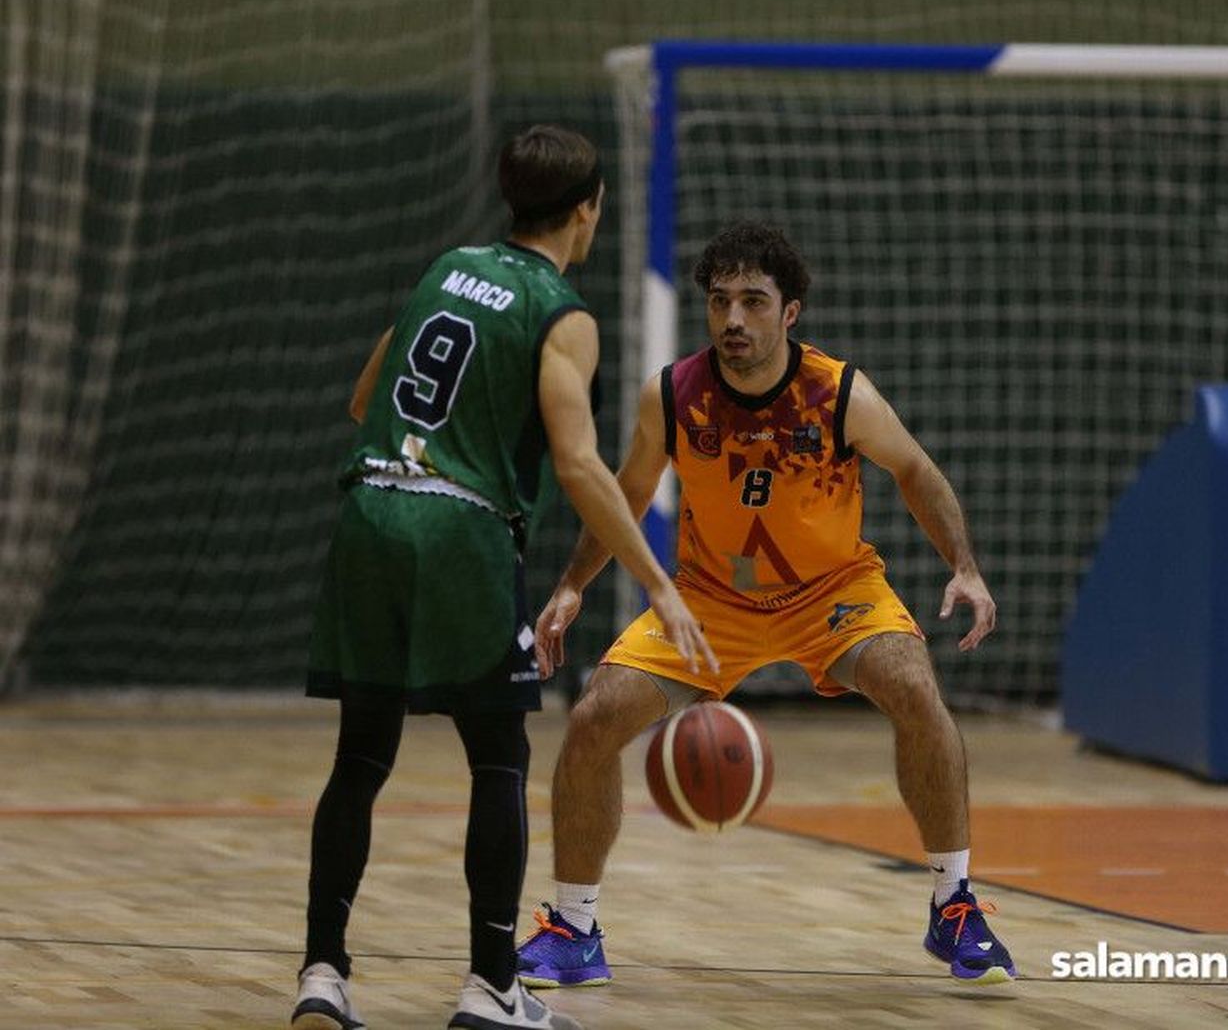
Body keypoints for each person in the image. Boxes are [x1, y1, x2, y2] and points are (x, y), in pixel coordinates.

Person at [291, 124, 716, 1030]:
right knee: (499, 757)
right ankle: (492, 983)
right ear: (589, 208)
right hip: (458, 529)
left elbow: (365, 400)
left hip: (370, 510)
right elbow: (579, 464)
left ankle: (322, 973)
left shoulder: (445, 270)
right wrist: (658, 581)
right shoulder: (562, 313)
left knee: (359, 757)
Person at [515, 221, 1013, 989]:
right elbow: (629, 492)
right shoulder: (672, 395)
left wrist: (965, 566)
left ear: (790, 311)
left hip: (833, 593)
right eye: (720, 301)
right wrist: (573, 582)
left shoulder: (839, 393)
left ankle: (955, 905)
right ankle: (574, 929)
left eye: (753, 301)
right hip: (711, 601)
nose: (733, 319)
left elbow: (915, 470)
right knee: (592, 719)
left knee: (916, 687)